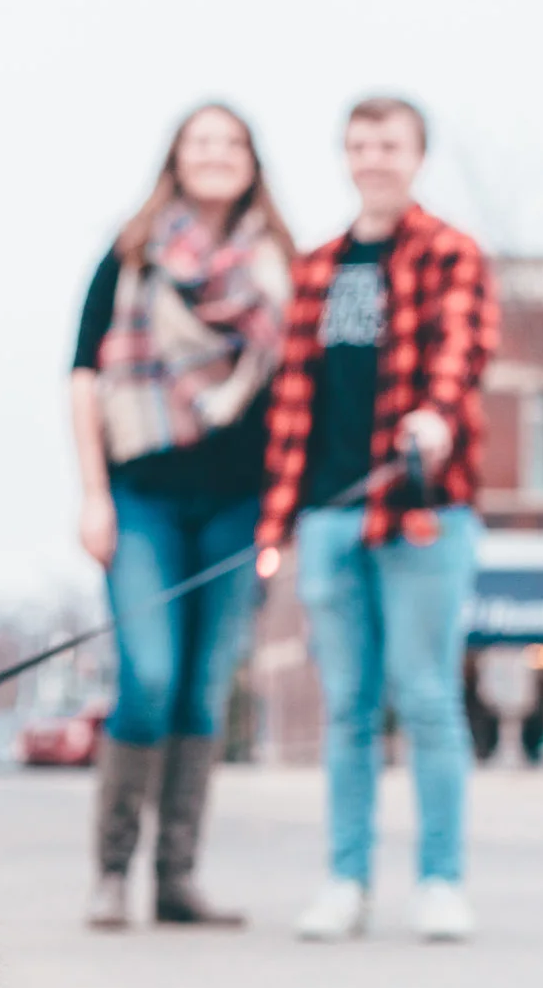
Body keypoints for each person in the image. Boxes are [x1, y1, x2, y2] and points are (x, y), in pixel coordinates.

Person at [252, 95, 498, 943]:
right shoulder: (317, 268)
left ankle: (439, 881)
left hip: (422, 511)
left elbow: (464, 355)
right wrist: (276, 524)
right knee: (347, 708)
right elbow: (291, 405)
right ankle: (345, 882)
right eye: (360, 144)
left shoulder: (450, 254)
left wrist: (435, 415)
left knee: (427, 698)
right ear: (346, 157)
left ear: (417, 154)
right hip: (327, 519)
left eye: (389, 143)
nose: (374, 158)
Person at [68, 104, 294, 931]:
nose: (217, 154)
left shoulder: (279, 267)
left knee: (204, 692)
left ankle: (176, 880)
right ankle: (111, 872)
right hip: (143, 495)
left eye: (233, 141)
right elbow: (84, 378)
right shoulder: (132, 254)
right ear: (177, 158)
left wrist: (284, 510)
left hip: (240, 503)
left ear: (251, 161)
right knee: (151, 676)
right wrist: (93, 496)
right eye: (202, 141)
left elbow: (292, 391)